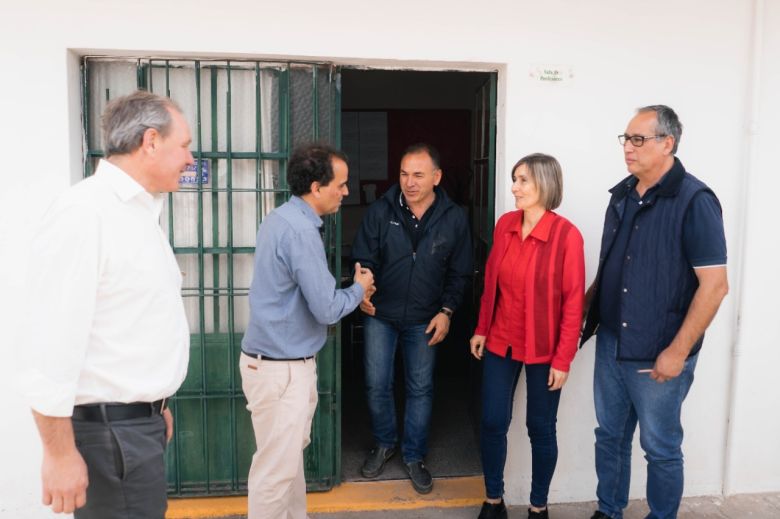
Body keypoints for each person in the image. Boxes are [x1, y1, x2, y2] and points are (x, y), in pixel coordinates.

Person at [21, 90, 194, 518]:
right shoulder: (85, 214)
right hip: (110, 437)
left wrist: (157, 405)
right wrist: (59, 454)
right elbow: (50, 342)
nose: (190, 160)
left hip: (136, 428)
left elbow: (132, 321)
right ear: (150, 141)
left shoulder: (138, 215)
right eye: (185, 146)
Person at [582, 105, 729, 519]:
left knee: (660, 447)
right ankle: (608, 510)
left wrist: (678, 352)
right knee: (609, 436)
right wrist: (590, 300)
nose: (627, 148)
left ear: (668, 143)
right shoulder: (623, 194)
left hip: (658, 352)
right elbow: (615, 261)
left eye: (638, 139)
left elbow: (715, 286)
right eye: (625, 139)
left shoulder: (695, 201)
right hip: (612, 341)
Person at [240, 144, 373, 519]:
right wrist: (360, 288)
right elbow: (327, 308)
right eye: (341, 185)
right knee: (275, 475)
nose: (346, 192)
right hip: (281, 369)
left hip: (271, 364)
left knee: (286, 469)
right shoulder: (300, 231)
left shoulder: (280, 218)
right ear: (316, 187)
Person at [352, 143, 472, 494]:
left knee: (420, 388)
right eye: (404, 174)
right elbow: (362, 257)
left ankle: (414, 455)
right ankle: (385, 442)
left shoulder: (453, 218)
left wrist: (447, 312)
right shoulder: (380, 210)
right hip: (381, 315)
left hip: (425, 318)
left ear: (436, 177)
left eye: (418, 175)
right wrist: (364, 292)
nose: (409, 182)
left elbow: (460, 273)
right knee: (377, 384)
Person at [470, 153, 585, 519]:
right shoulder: (505, 224)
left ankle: (538, 507)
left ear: (545, 185)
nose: (514, 187)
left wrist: (563, 359)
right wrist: (481, 329)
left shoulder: (567, 236)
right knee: (491, 421)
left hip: (544, 350)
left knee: (540, 428)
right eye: (514, 179)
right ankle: (494, 501)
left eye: (522, 181)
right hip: (500, 343)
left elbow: (573, 304)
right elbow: (492, 284)